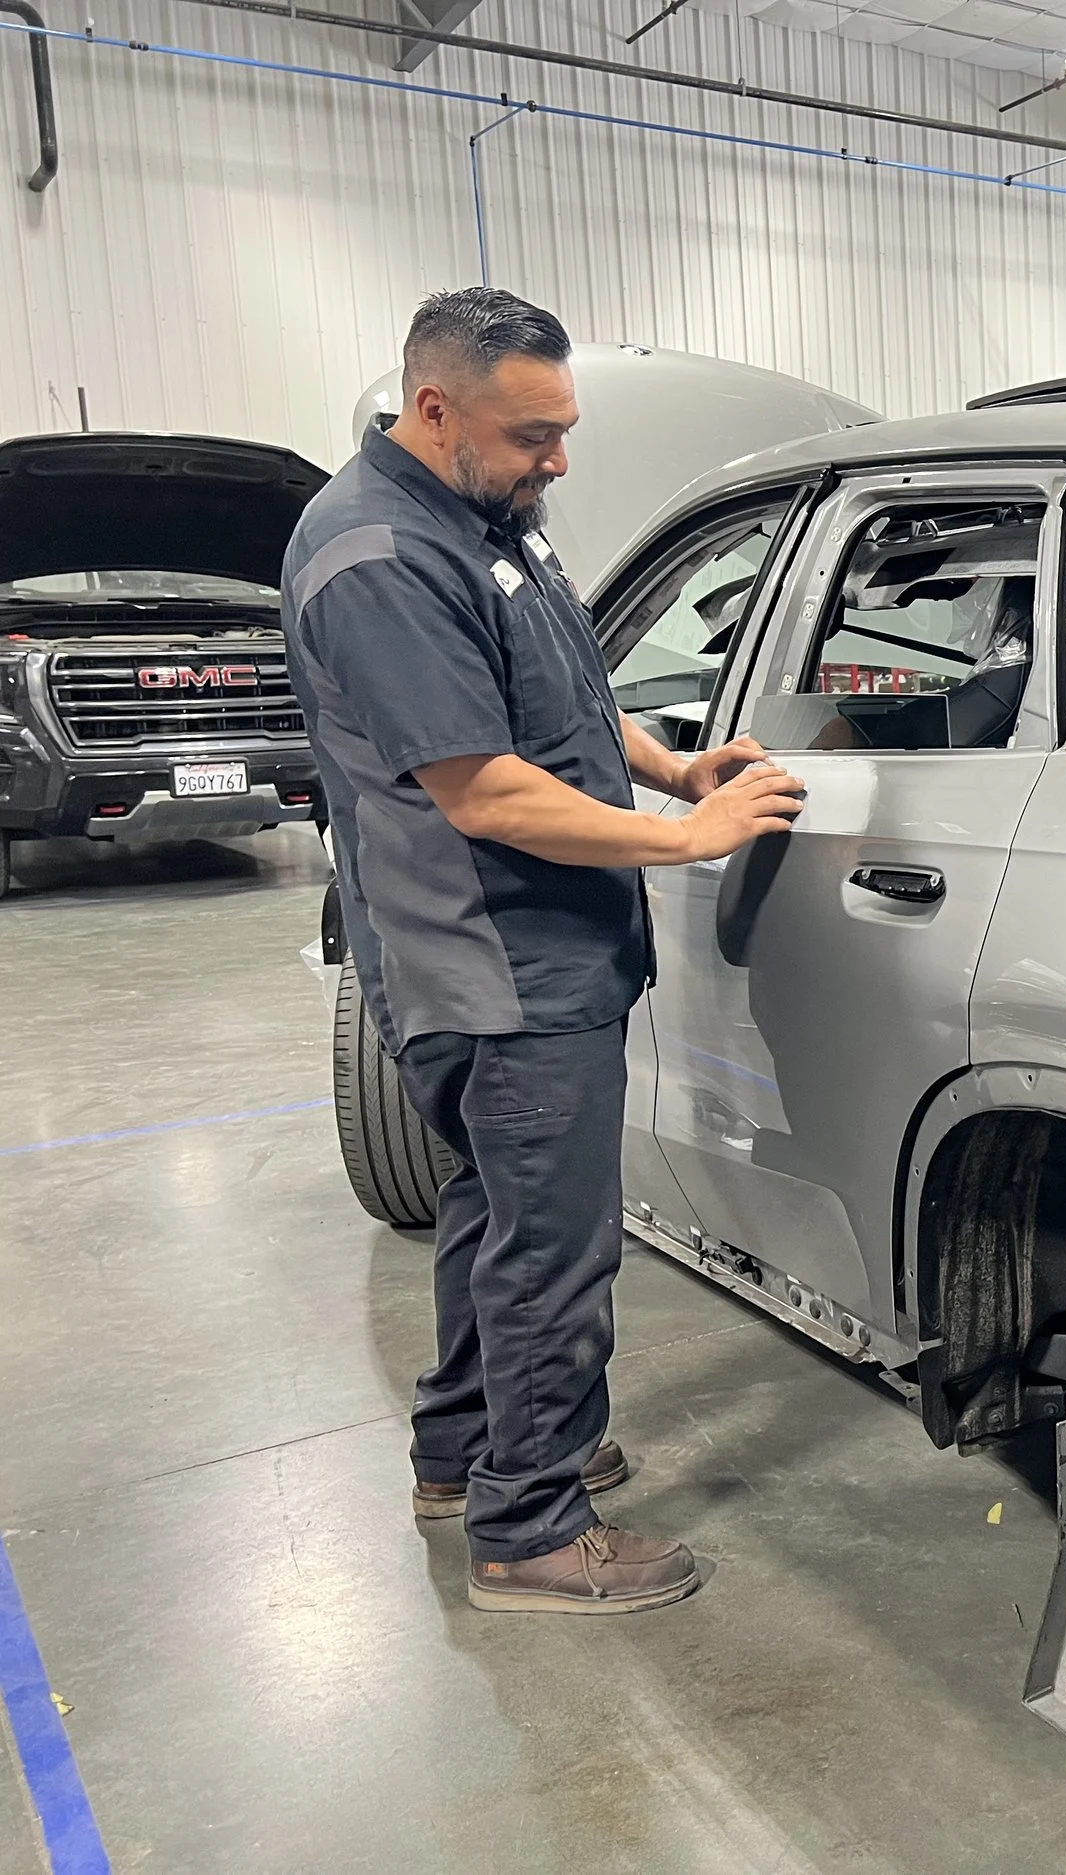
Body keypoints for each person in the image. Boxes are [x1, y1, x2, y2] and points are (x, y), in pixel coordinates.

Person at [281, 289, 805, 1614]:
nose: (557, 462)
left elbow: (569, 699)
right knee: (554, 1251)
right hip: (495, 976)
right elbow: (485, 791)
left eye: (565, 431)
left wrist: (678, 768)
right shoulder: (378, 557)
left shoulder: (489, 519)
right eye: (533, 436)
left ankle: (469, 1455)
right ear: (436, 406)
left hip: (531, 958)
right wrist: (698, 843)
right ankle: (530, 1524)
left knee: (493, 1221)